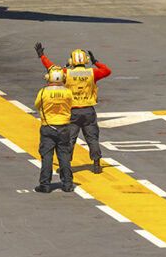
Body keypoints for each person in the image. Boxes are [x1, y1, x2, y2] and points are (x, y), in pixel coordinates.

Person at [35, 43, 112, 173]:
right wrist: (96, 62)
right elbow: (107, 71)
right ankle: (96, 163)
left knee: (69, 139)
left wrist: (42, 56)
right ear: (86, 60)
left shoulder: (67, 73)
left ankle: (67, 164)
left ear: (71, 61)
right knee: (92, 138)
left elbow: (52, 68)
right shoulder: (92, 73)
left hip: (73, 112)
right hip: (88, 110)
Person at [33, 66, 75, 193]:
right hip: (63, 127)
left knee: (47, 157)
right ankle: (68, 184)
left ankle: (45, 184)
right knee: (64, 156)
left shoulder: (43, 92)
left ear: (48, 77)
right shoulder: (68, 92)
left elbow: (37, 106)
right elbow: (71, 104)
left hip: (48, 127)